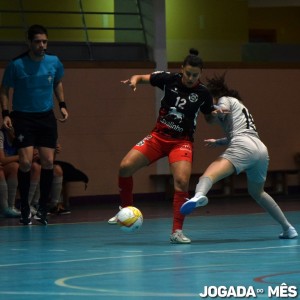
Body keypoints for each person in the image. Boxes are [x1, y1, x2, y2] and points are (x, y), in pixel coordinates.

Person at [108, 48, 222, 244]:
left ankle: (177, 231)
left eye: (195, 75)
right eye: (188, 73)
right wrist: (134, 80)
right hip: (158, 138)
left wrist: (216, 116)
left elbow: (210, 119)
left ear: (200, 74)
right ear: (182, 69)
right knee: (125, 167)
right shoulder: (168, 79)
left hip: (182, 142)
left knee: (181, 182)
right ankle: (125, 210)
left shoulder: (203, 93)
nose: (190, 78)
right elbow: (141, 77)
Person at [180, 73, 298, 239]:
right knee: (258, 193)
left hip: (243, 146)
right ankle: (288, 228)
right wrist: (219, 141)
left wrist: (213, 108)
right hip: (260, 150)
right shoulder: (240, 108)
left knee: (208, 176)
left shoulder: (224, 99)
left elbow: (220, 110)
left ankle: (199, 195)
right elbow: (226, 129)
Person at [0, 24, 69, 225]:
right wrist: (5, 113)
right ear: (29, 42)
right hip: (23, 117)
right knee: (26, 162)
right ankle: (23, 208)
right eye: (37, 41)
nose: (41, 45)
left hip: (45, 117)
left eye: (44, 41)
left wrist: (62, 105)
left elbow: (57, 82)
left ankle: (43, 209)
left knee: (48, 162)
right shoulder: (16, 65)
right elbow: (4, 89)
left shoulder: (54, 62)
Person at [0, 126, 20, 217]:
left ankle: (11, 207)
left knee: (14, 167)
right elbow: (2, 160)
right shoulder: (1, 134)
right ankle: (4, 208)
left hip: (6, 167)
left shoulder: (21, 136)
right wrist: (21, 156)